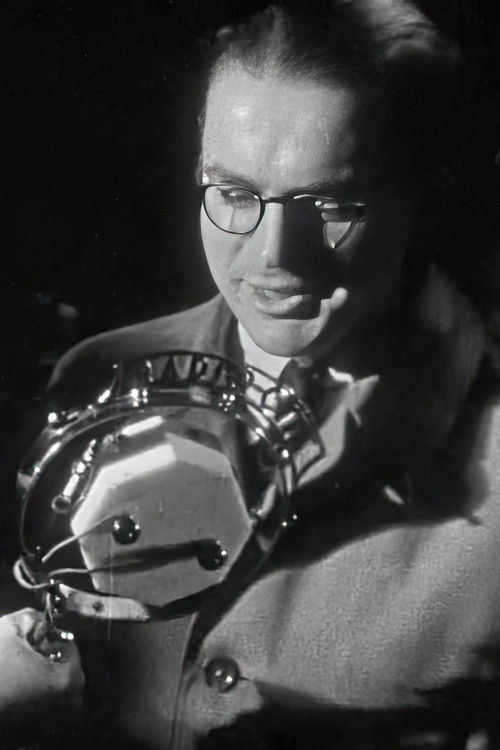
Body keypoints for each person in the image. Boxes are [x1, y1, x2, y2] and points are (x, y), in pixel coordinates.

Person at [6, 1, 500, 748]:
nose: (274, 257)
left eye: (331, 203)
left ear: (426, 193)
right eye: (234, 195)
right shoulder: (95, 378)